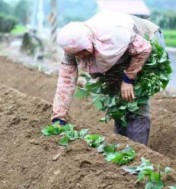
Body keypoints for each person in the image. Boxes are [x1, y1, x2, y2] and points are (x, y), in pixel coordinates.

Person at [52, 11, 166, 145]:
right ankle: (121, 145)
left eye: (82, 51)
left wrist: (128, 79)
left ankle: (138, 148)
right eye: (76, 54)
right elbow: (66, 80)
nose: (81, 56)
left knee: (136, 98)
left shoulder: (113, 35)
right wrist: (59, 117)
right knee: (117, 99)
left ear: (88, 42)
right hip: (122, 51)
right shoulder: (72, 48)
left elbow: (144, 49)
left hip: (146, 40)